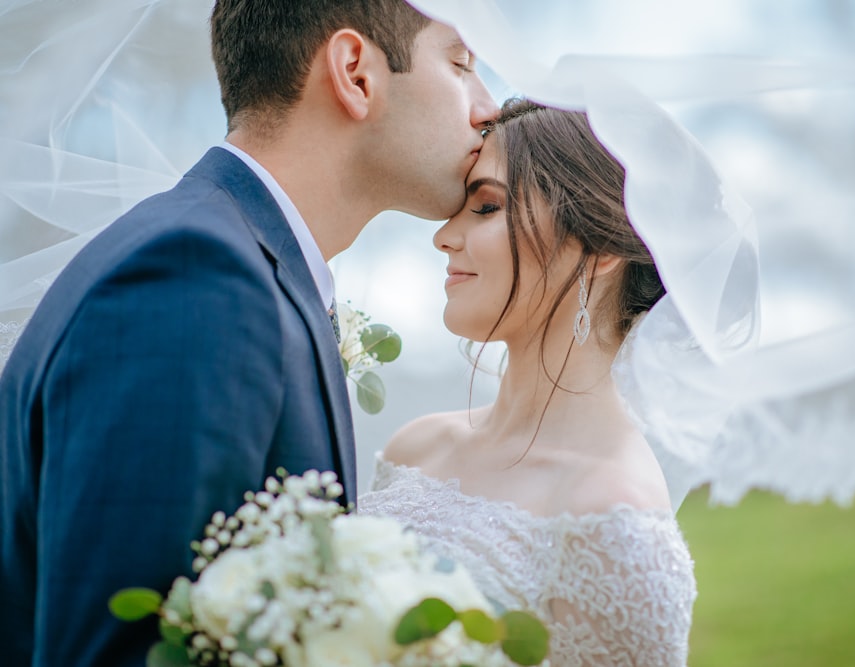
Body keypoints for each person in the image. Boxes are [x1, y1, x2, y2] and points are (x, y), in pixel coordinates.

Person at [0, 1, 497, 665]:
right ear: (355, 73)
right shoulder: (191, 279)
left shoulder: (238, 264)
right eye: (461, 63)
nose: (488, 105)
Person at [360, 98, 697, 666]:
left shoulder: (618, 519)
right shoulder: (414, 448)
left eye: (486, 207)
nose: (444, 235)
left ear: (600, 249)